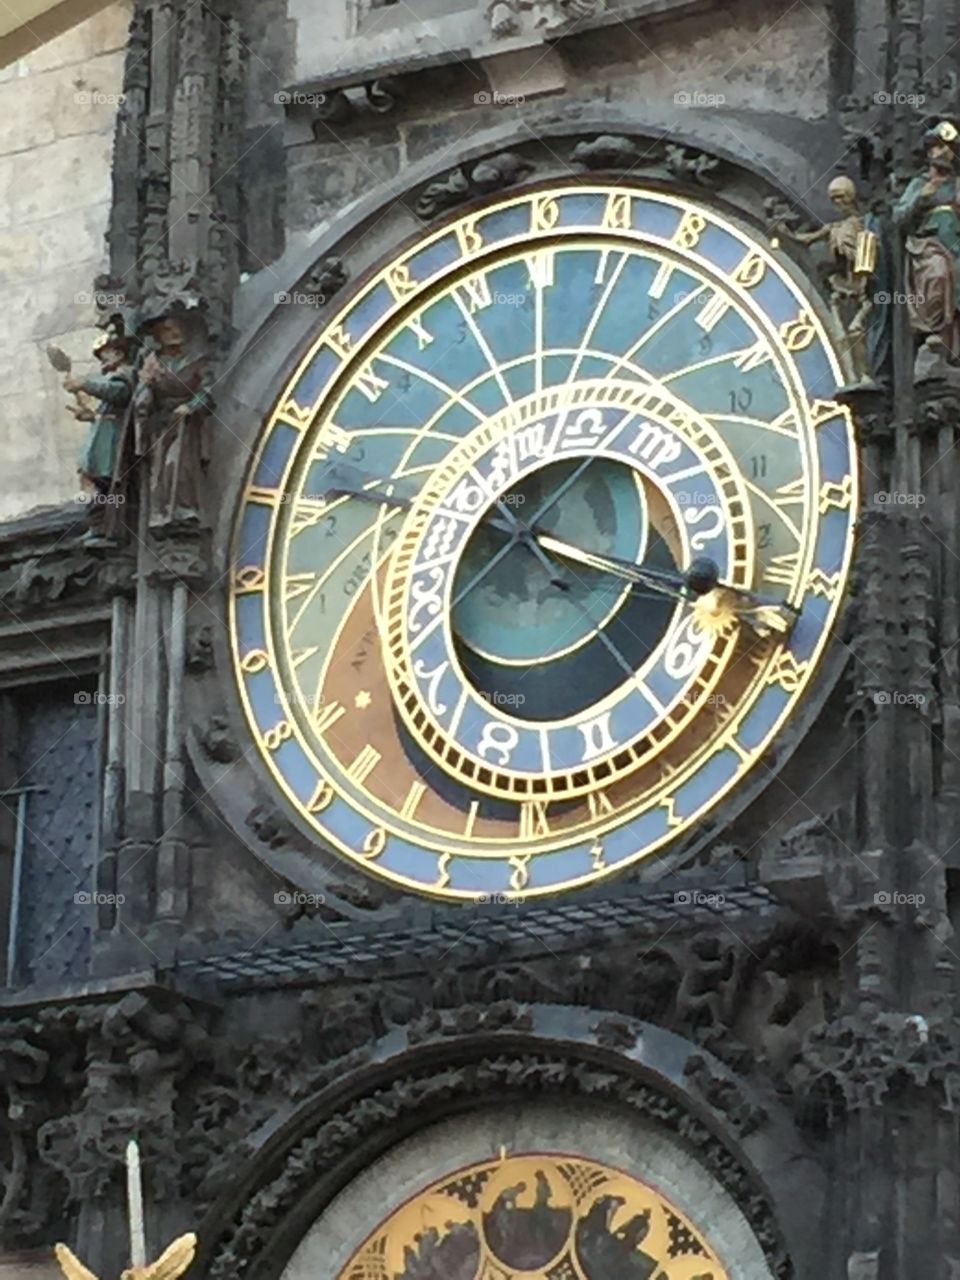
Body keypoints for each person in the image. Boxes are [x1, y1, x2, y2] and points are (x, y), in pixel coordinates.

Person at [134, 311, 212, 528]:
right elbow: (142, 396)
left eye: (177, 328)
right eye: (167, 330)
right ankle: (163, 510)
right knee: (160, 470)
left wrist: (191, 406)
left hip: (187, 424)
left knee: (178, 464)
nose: (175, 333)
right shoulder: (152, 364)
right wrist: (146, 391)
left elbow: (208, 390)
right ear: (158, 337)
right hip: (161, 423)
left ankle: (185, 508)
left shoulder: (197, 362)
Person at [894, 119, 960, 369]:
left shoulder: (957, 185)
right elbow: (899, 218)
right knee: (937, 273)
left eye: (949, 147)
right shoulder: (920, 184)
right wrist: (922, 198)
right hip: (929, 246)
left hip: (957, 244)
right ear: (930, 152)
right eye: (938, 146)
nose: (944, 151)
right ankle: (936, 334)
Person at [63, 330, 136, 540]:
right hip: (104, 438)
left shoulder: (125, 373)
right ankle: (99, 525)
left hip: (113, 442)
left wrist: (84, 384)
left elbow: (118, 393)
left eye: (106, 352)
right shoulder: (113, 376)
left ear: (119, 353)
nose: (102, 357)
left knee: (102, 482)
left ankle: (105, 525)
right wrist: (90, 415)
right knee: (92, 481)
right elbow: (109, 408)